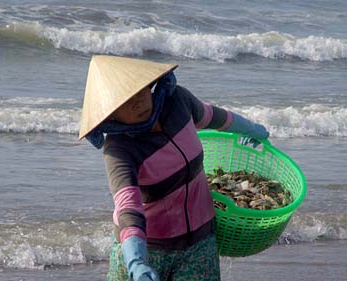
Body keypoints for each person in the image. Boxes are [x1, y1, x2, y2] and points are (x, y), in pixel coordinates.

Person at [79, 55, 269, 281]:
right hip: (149, 248)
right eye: (124, 101)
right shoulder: (119, 149)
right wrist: (136, 262)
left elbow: (215, 117)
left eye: (139, 90)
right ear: (110, 113)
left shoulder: (178, 102)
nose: (137, 101)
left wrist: (251, 129)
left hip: (200, 244)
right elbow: (128, 206)